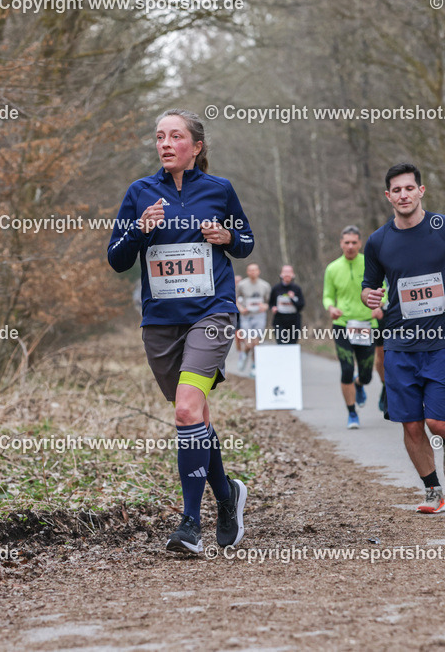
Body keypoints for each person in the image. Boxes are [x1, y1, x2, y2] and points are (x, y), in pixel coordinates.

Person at [108, 108, 251, 553]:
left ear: (196, 146)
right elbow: (117, 258)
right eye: (159, 137)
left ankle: (190, 523)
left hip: (212, 313)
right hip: (161, 322)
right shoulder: (140, 193)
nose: (165, 144)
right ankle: (227, 495)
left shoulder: (219, 190)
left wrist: (227, 238)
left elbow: (245, 242)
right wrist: (139, 229)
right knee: (197, 417)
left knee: (187, 410)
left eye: (175, 136)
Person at [362, 163, 445, 514]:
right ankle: (432, 491)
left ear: (421, 191)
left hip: (441, 339)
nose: (403, 195)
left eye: (409, 188)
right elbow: (369, 286)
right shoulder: (378, 241)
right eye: (396, 190)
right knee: (411, 423)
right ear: (388, 196)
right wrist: (369, 296)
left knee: (438, 422)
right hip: (398, 343)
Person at [323, 226, 380, 429]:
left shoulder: (370, 263)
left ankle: (359, 384)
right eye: (346, 242)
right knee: (346, 369)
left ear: (360, 243)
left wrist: (379, 305)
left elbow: (383, 289)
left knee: (366, 375)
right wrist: (331, 307)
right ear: (341, 243)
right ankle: (352, 413)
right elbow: (327, 295)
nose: (350, 246)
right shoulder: (332, 268)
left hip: (366, 323)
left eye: (354, 242)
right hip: (343, 324)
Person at [235, 263, 271, 374]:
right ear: (247, 272)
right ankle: (244, 353)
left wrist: (265, 306)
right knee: (249, 343)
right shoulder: (242, 285)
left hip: (259, 316)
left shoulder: (265, 285)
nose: (253, 272)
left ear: (258, 271)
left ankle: (254, 366)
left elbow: (269, 302)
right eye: (250, 270)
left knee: (256, 343)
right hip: (246, 316)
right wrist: (241, 309)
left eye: (255, 270)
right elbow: (235, 299)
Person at [268, 264, 304, 344]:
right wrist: (273, 308)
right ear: (281, 274)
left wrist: (292, 299)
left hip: (294, 321)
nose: (287, 274)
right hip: (279, 321)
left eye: (289, 272)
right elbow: (271, 303)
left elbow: (301, 306)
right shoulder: (276, 288)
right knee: (282, 344)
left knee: (292, 345)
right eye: (285, 272)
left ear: (293, 275)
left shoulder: (297, 289)